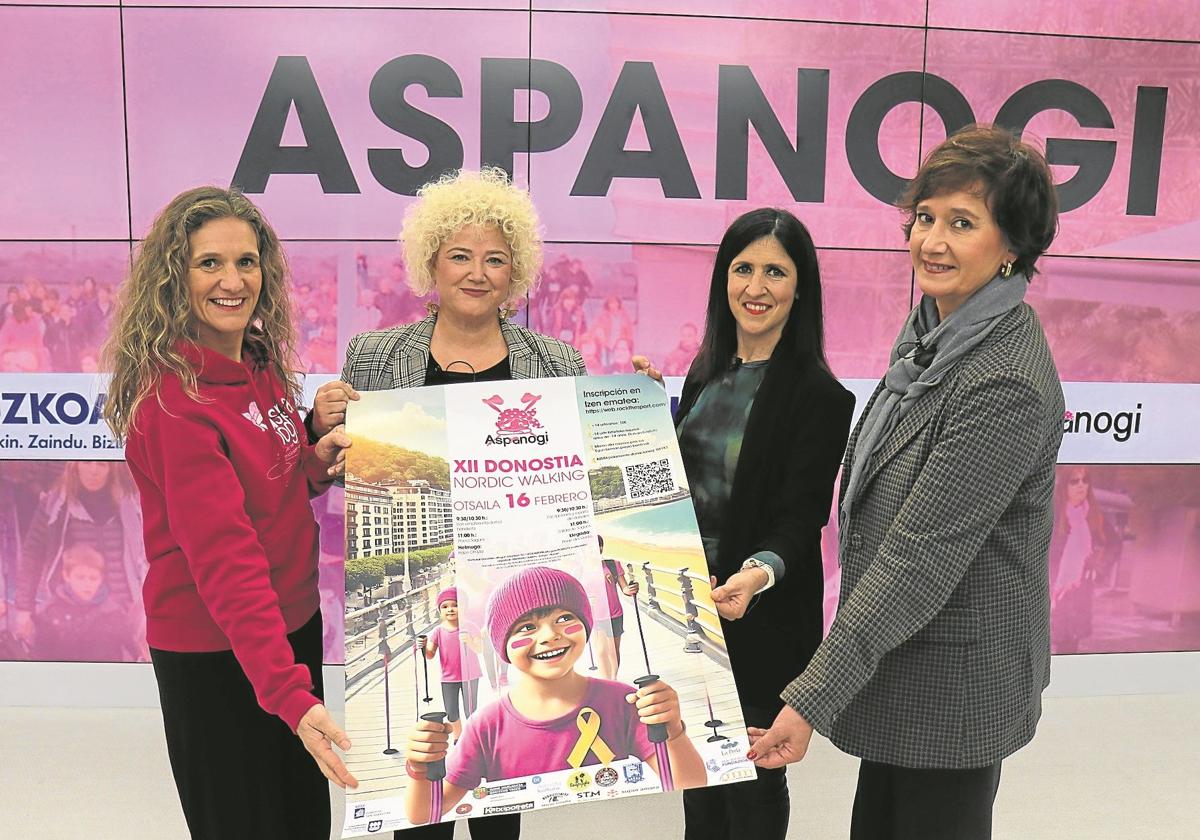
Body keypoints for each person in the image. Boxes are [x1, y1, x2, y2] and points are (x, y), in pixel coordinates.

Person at [747, 125, 1065, 840]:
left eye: (962, 223)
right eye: (925, 218)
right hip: (904, 663)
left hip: (955, 682)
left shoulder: (1003, 379)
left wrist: (809, 699)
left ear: (1012, 244)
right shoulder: (935, 329)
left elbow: (917, 558)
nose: (933, 242)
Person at [308, 166, 586, 840]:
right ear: (430, 261)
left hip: (509, 604)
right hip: (411, 613)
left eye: (496, 258)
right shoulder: (375, 357)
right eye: (460, 255)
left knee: (499, 800)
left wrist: (626, 420)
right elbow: (347, 474)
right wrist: (322, 425)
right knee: (420, 798)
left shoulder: (555, 362)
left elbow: (577, 484)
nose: (477, 272)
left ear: (515, 271)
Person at [100, 186, 356, 840]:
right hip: (218, 653)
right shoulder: (172, 404)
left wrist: (316, 456)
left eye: (247, 262)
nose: (232, 280)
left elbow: (276, 485)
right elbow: (226, 562)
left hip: (286, 630)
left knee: (301, 825)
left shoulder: (257, 361)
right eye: (209, 263)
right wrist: (292, 699)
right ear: (173, 278)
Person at [633, 207, 855, 840]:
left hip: (757, 612)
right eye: (743, 269)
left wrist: (756, 575)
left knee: (752, 777)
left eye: (775, 273)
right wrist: (643, 417)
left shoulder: (820, 396)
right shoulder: (705, 375)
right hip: (684, 607)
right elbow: (679, 485)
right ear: (723, 279)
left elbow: (801, 516)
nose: (755, 288)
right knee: (695, 769)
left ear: (800, 287)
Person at [404, 566, 706, 824]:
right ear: (502, 645)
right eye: (526, 627)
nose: (549, 635)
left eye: (563, 618)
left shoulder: (625, 702)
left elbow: (689, 782)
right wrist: (420, 765)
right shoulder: (486, 726)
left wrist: (672, 728)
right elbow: (426, 814)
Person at [12, 461, 146, 659]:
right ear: (74, 465)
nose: (93, 470)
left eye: (101, 464)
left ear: (112, 468)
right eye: (86, 462)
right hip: (70, 614)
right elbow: (33, 555)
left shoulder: (132, 503)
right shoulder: (54, 504)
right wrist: (24, 608)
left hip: (125, 610)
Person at [1049, 467, 1117, 654]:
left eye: (1085, 480)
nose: (1081, 485)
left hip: (1080, 590)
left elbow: (1114, 543)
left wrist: (1100, 567)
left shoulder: (1095, 515)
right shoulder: (1052, 514)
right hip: (1053, 588)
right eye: (1074, 481)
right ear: (1064, 486)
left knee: (1071, 644)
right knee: (1047, 642)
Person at [32, 542, 136, 661]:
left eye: (93, 578)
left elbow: (136, 649)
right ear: (66, 576)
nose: (87, 584)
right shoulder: (50, 613)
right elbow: (41, 657)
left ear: (101, 579)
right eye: (80, 577)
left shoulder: (114, 613)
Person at [418, 587, 484, 740]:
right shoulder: (438, 631)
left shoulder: (471, 627)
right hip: (448, 678)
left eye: (455, 605)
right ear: (440, 610)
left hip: (470, 676)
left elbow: (480, 649)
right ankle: (458, 739)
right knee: (451, 711)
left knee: (471, 710)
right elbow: (430, 655)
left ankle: (472, 738)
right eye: (445, 607)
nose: (450, 609)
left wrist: (469, 642)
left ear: (464, 607)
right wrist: (423, 646)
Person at [593, 534, 639, 680]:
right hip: (595, 615)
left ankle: (613, 680)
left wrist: (631, 590)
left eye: (599, 545)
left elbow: (624, 588)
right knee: (601, 651)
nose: (597, 548)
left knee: (613, 651)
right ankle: (605, 680)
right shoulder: (581, 569)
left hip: (614, 612)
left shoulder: (612, 564)